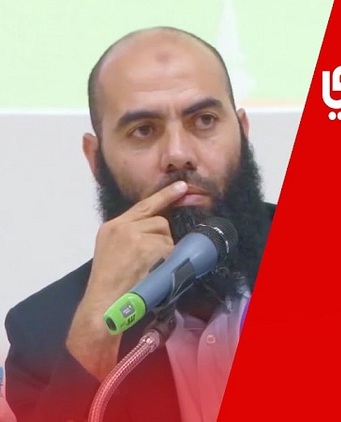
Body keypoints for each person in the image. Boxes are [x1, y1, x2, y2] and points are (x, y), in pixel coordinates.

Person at [3, 26, 274, 422]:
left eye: (204, 120)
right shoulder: (43, 333)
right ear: (96, 160)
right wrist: (95, 334)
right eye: (143, 130)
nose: (178, 154)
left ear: (243, 132)